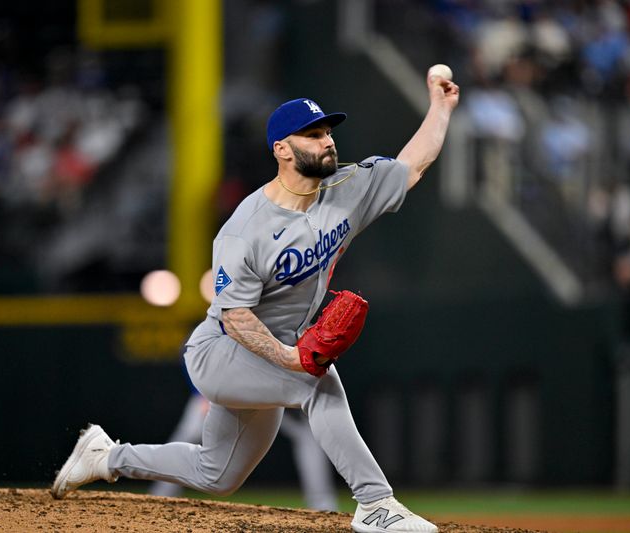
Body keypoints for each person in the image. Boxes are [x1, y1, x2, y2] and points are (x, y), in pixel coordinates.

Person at [52, 70, 460, 533]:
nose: (327, 141)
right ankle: (375, 505)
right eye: (312, 134)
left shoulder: (348, 190)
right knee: (315, 382)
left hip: (271, 352)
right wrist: (291, 359)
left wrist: (439, 108)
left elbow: (413, 165)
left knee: (218, 473)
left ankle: (106, 456)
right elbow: (236, 316)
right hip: (221, 351)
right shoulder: (246, 227)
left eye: (328, 132)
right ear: (281, 149)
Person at [149, 373, 338, 511]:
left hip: (270, 389)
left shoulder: (285, 328)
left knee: (307, 436)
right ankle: (160, 494)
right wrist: (201, 391)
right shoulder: (223, 323)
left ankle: (322, 504)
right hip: (222, 387)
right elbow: (191, 350)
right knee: (189, 434)